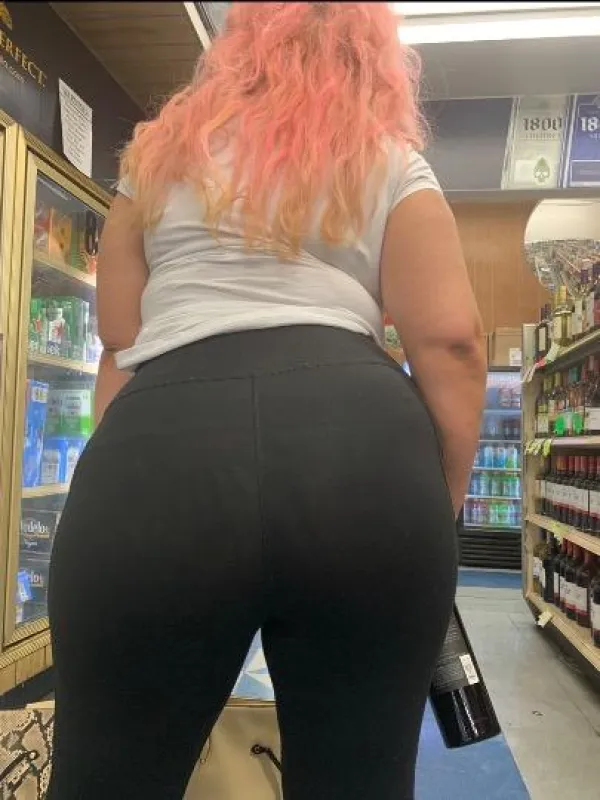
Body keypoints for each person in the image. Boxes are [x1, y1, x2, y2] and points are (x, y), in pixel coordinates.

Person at [47, 3, 487, 798]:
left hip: (162, 445)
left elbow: (118, 342)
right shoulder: (389, 159)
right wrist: (433, 504)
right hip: (362, 459)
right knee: (358, 780)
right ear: (372, 59)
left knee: (107, 777)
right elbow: (452, 345)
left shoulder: (156, 162)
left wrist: (129, 489)